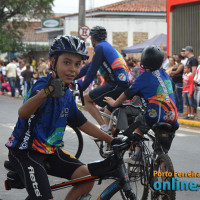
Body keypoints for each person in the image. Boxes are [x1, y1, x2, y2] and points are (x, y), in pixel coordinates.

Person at [5, 35, 116, 200]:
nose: (73, 69)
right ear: (53, 62)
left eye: (77, 64)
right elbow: (23, 112)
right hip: (26, 151)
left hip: (50, 150)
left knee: (86, 179)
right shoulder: (42, 85)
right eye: (67, 62)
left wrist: (110, 139)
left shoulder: (67, 93)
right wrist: (46, 92)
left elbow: (81, 122)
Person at [104, 45, 179, 156]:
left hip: (154, 116)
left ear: (144, 60)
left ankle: (137, 154)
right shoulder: (165, 75)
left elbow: (127, 94)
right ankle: (165, 168)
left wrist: (114, 103)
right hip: (173, 118)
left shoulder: (143, 77)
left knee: (138, 126)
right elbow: (174, 88)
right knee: (162, 151)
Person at [75, 26, 132, 133]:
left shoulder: (99, 48)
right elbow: (88, 67)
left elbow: (91, 72)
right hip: (123, 83)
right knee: (107, 110)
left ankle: (104, 130)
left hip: (117, 85)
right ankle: (111, 137)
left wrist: (81, 89)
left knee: (87, 99)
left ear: (92, 38)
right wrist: (73, 77)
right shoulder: (106, 46)